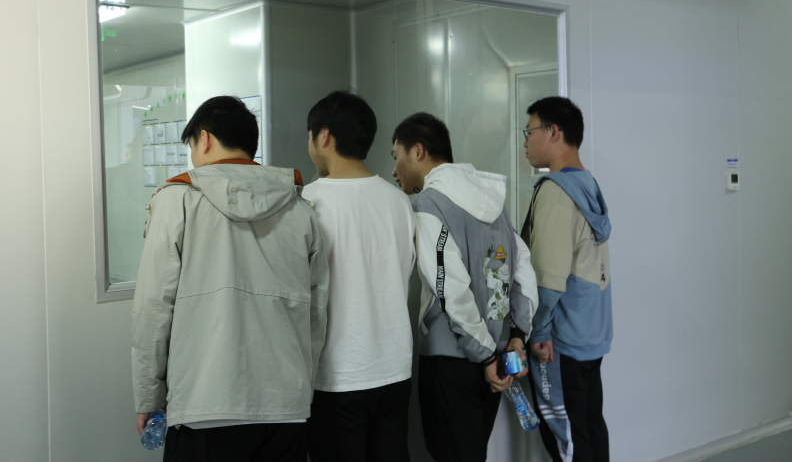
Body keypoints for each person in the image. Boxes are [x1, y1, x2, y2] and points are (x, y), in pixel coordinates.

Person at [131, 95, 329, 462]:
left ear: (204, 139)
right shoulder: (300, 209)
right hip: (285, 408)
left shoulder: (177, 200)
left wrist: (148, 396)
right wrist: (304, 389)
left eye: (192, 146)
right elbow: (316, 313)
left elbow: (153, 311)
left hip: (205, 407)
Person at [391, 112, 539, 462]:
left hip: (453, 360)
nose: (395, 170)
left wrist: (484, 354)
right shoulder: (494, 202)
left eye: (396, 156)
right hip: (496, 356)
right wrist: (517, 336)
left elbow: (450, 290)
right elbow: (522, 270)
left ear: (418, 151)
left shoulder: (429, 204)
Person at [303, 91, 417, 462]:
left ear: (323, 136)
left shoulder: (308, 202)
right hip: (395, 369)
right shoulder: (399, 202)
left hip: (338, 374)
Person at [521, 96, 612, 462]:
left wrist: (539, 332)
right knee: (589, 424)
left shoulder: (556, 192)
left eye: (529, 132)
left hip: (560, 342)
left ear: (553, 132)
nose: (525, 142)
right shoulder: (588, 184)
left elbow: (548, 278)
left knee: (567, 439)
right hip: (590, 334)